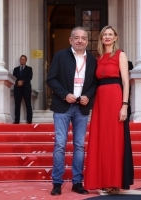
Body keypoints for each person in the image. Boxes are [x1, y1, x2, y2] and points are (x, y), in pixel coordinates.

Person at [46, 26, 98, 196]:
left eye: (83, 38)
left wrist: (88, 96)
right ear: (71, 40)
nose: (80, 40)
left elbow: (95, 84)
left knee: (79, 146)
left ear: (87, 41)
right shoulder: (61, 56)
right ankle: (57, 182)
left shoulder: (92, 60)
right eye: (76, 37)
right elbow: (51, 79)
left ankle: (77, 182)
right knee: (60, 144)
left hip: (81, 108)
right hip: (63, 106)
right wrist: (64, 94)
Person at [84, 25, 134, 195]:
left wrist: (125, 105)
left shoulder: (121, 55)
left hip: (115, 97)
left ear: (115, 37)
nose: (107, 37)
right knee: (101, 140)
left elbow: (126, 82)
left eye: (110, 34)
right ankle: (102, 181)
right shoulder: (97, 59)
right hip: (100, 101)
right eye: (104, 34)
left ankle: (114, 182)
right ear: (101, 37)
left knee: (114, 140)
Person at [13, 55, 33, 124]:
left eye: (24, 59)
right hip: (17, 88)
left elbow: (29, 77)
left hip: (26, 88)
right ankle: (16, 121)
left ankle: (29, 121)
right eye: (21, 59)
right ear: (20, 60)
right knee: (17, 105)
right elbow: (14, 78)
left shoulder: (29, 69)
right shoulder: (15, 69)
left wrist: (22, 82)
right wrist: (17, 82)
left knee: (28, 104)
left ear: (26, 60)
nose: (22, 60)